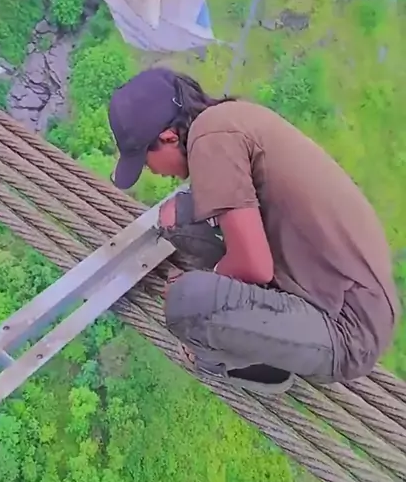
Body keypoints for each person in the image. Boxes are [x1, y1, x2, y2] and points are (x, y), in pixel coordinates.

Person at [108, 67, 399, 395]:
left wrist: (209, 281)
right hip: (346, 289)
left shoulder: (209, 140)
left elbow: (255, 266)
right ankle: (254, 321)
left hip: (347, 329)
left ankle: (258, 366)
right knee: (176, 215)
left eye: (145, 162)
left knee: (187, 303)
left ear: (168, 138)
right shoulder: (227, 117)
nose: (152, 172)